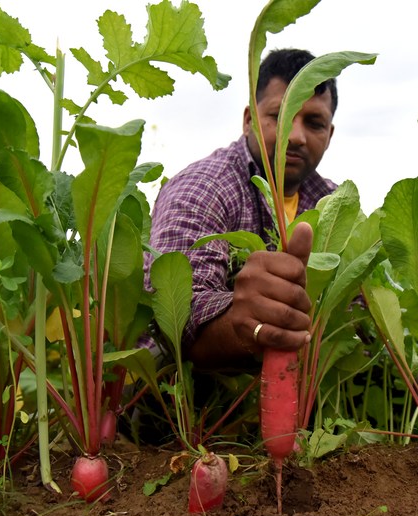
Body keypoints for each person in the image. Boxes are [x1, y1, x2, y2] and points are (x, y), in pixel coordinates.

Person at [145, 48, 338, 371]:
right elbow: (176, 316)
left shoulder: (331, 203)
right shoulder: (205, 186)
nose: (296, 136)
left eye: (314, 122)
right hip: (189, 408)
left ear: (329, 134)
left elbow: (359, 323)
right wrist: (241, 320)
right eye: (280, 116)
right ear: (249, 120)